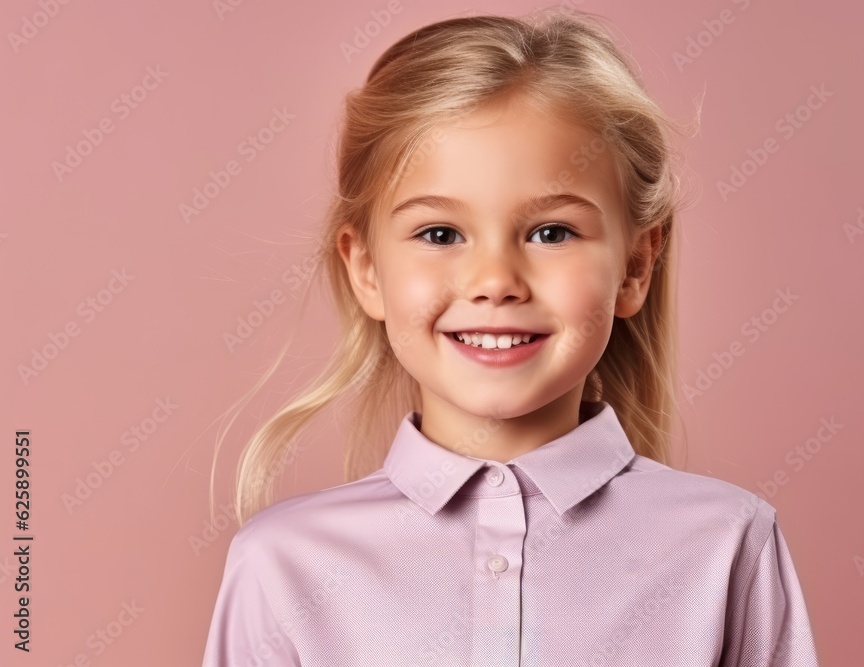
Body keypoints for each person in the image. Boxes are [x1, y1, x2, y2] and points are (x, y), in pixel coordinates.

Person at [202, 7, 820, 666]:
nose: (496, 281)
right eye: (440, 234)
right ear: (366, 269)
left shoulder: (726, 543)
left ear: (636, 265)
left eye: (551, 232)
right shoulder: (282, 564)